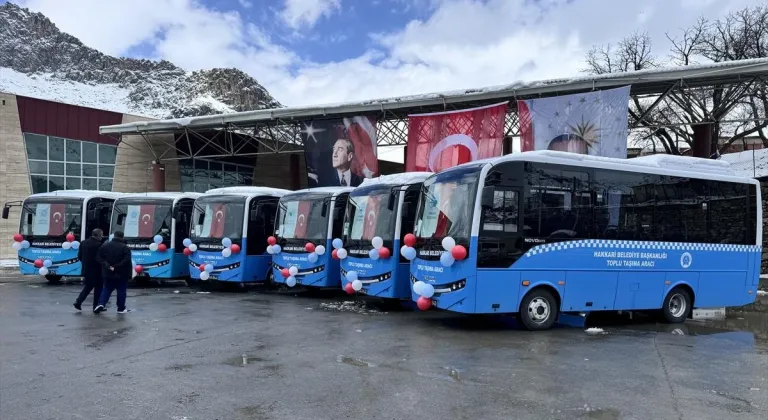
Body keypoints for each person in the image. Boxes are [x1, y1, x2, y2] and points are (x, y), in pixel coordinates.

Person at [94, 230, 132, 314]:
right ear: (122, 237)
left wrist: (108, 265)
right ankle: (121, 308)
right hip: (121, 273)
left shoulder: (105, 246)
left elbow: (99, 258)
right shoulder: (125, 247)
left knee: (107, 289)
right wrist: (116, 266)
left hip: (107, 272)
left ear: (114, 236)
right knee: (121, 291)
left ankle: (101, 304)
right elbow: (127, 260)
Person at [73, 228, 105, 311]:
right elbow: (101, 257)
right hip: (97, 270)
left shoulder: (83, 243)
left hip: (86, 269)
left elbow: (79, 256)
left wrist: (85, 263)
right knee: (98, 288)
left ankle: (78, 302)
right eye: (101, 235)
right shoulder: (99, 245)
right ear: (98, 235)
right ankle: (96, 306)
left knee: (87, 287)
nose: (102, 236)